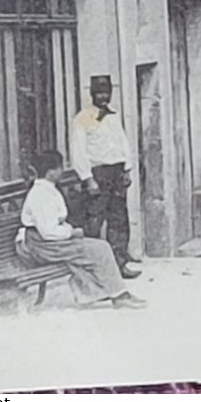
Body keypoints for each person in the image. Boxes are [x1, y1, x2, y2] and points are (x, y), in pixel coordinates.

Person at [18, 150, 146, 309]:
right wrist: (71, 232)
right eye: (59, 168)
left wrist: (69, 231)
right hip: (43, 246)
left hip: (50, 242)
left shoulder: (48, 189)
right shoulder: (40, 195)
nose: (62, 171)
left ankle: (100, 292)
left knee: (94, 248)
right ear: (51, 172)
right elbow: (48, 231)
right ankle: (119, 296)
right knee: (101, 249)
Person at [70, 75, 140, 279]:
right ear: (92, 94)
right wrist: (87, 178)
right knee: (94, 222)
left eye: (106, 92)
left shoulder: (114, 115)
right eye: (99, 93)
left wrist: (127, 169)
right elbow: (78, 152)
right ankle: (91, 270)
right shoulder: (82, 118)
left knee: (119, 220)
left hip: (116, 173)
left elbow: (122, 142)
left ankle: (119, 265)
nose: (103, 97)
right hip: (98, 175)